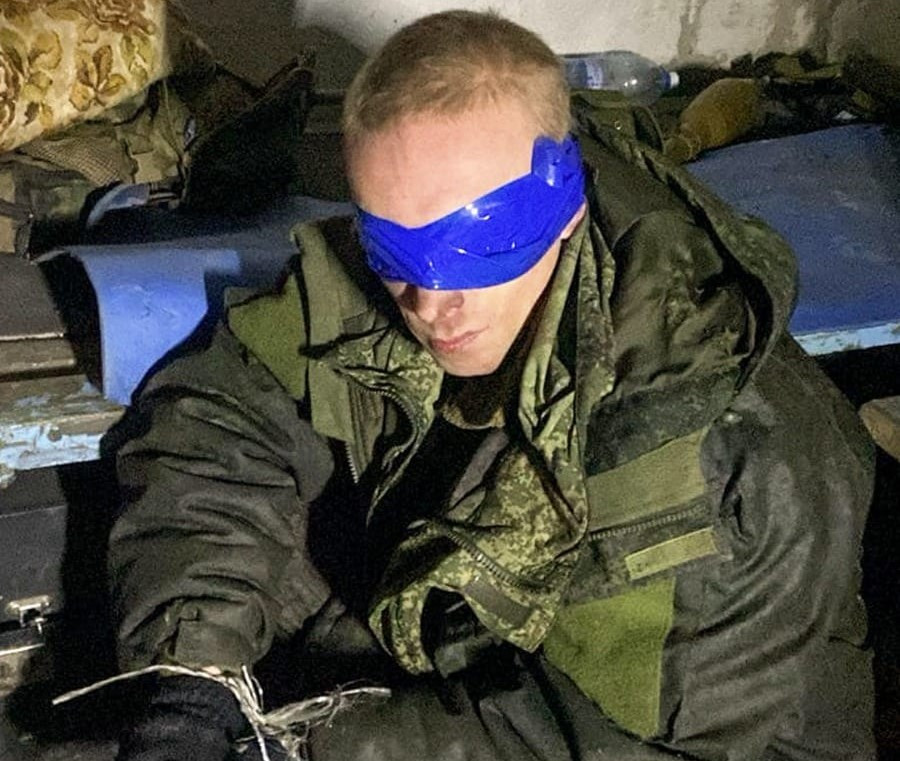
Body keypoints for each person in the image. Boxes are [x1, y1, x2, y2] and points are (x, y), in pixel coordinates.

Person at [109, 9, 876, 761]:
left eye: (478, 241)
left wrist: (307, 745)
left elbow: (620, 739)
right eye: (393, 248)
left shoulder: (730, 467)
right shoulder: (402, 277)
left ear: (565, 204)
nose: (432, 302)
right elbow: (227, 406)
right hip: (457, 640)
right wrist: (191, 682)